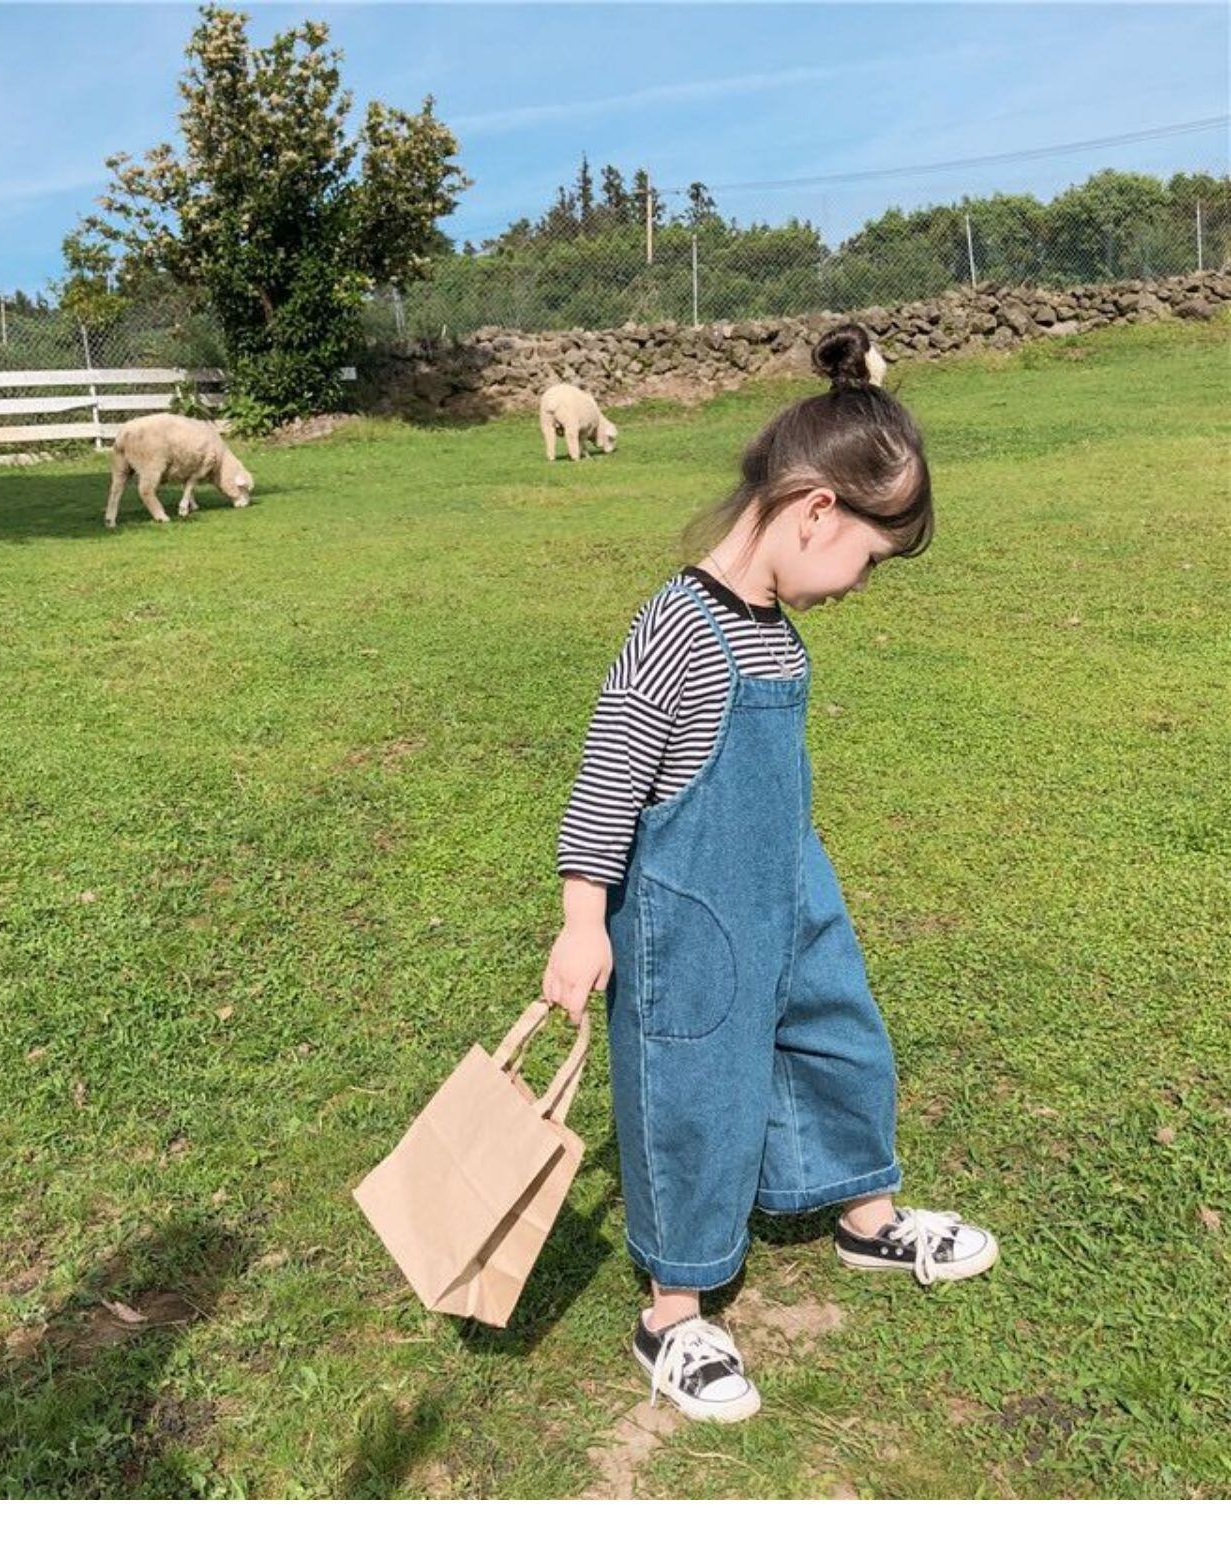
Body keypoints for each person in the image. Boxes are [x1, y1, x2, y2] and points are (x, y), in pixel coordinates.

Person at [542, 322, 997, 1424]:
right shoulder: (676, 630)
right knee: (693, 1088)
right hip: (692, 918)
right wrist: (583, 920)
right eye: (868, 560)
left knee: (839, 1039)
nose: (861, 584)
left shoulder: (775, 627)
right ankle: (674, 1311)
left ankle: (864, 1217)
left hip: (791, 886)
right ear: (816, 511)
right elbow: (606, 784)